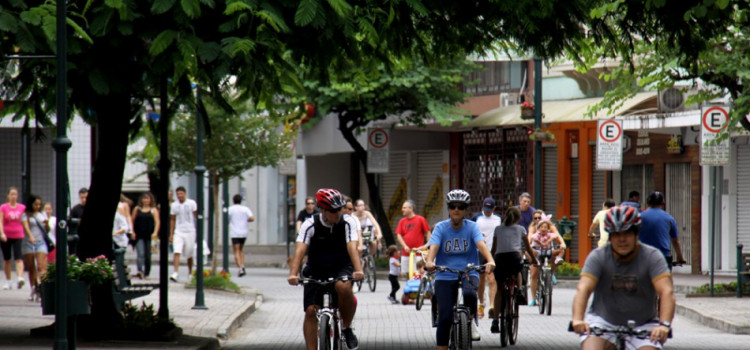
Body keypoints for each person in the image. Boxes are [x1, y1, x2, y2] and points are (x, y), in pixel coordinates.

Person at [571, 206, 675, 350]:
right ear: (610, 237)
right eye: (616, 234)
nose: (622, 239)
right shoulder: (598, 256)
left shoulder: (652, 257)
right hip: (603, 322)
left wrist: (664, 325)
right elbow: (583, 288)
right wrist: (577, 319)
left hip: (643, 324)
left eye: (627, 233)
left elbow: (666, 292)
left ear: (636, 234)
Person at [287, 188, 363, 350]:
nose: (338, 213)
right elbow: (300, 250)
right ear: (322, 210)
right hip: (316, 268)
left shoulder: (347, 222)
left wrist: (358, 270)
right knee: (310, 311)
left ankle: (347, 328)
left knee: (343, 286)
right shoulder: (310, 223)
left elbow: (352, 246)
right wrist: (293, 274)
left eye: (340, 209)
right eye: (333, 210)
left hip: (341, 266)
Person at [424, 189, 495, 346]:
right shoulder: (441, 228)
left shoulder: (472, 227)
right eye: (453, 206)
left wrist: (490, 260)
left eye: (461, 207)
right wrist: (430, 262)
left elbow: (481, 245)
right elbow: (433, 247)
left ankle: (471, 321)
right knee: (444, 317)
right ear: (448, 208)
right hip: (444, 273)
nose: (456, 209)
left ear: (466, 210)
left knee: (470, 294)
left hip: (469, 271)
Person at [489, 207, 538, 334]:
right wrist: (534, 260)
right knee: (518, 271)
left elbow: (494, 249)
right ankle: (521, 291)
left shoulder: (498, 229)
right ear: (518, 218)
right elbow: (527, 247)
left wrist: (490, 260)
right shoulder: (521, 229)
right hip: (514, 258)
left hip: (500, 259)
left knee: (499, 289)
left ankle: (495, 321)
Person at [639, 191, 687, 270]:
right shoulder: (669, 218)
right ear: (662, 204)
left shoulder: (640, 216)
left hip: (643, 257)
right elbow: (675, 241)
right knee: (664, 281)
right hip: (663, 257)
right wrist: (680, 258)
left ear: (648, 202)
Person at [471, 197, 501, 319]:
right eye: (485, 209)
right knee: (481, 280)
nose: (487, 211)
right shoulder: (476, 219)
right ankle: (481, 303)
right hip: (479, 252)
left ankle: (492, 306)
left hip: (493, 252)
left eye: (490, 209)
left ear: (494, 208)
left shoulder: (499, 219)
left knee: (492, 279)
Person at [528, 216, 566, 306]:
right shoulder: (534, 232)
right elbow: (531, 238)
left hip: (548, 251)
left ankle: (552, 271)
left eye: (539, 218)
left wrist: (562, 244)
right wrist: (530, 246)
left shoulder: (550, 231)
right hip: (538, 252)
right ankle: (533, 299)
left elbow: (557, 236)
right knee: (534, 274)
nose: (537, 220)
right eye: (535, 218)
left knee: (560, 250)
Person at [21, 194, 48, 301]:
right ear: (31, 204)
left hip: (41, 242)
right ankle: (33, 288)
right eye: (35, 204)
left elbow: (47, 230)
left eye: (39, 205)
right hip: (29, 242)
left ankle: (42, 289)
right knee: (31, 267)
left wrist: (47, 224)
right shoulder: (26, 214)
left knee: (41, 267)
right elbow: (26, 226)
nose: (37, 206)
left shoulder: (42, 214)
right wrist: (31, 236)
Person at [395, 199, 431, 278]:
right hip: (406, 252)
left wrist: (428, 245)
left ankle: (419, 289)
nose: (402, 210)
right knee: (408, 274)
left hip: (418, 252)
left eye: (404, 208)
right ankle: (410, 290)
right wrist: (405, 246)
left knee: (419, 273)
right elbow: (399, 235)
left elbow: (428, 233)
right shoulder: (402, 221)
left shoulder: (420, 219)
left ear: (411, 209)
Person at [169, 186, 197, 282]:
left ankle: (190, 273)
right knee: (177, 251)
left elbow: (196, 215)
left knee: (189, 253)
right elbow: (172, 219)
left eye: (181, 194)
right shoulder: (174, 205)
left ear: (185, 194)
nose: (180, 196)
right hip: (179, 231)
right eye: (178, 194)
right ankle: (175, 272)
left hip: (190, 231)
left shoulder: (191, 203)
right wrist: (171, 234)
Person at [0, 187, 26, 290]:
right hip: (6, 235)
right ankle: (8, 280)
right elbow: (0, 221)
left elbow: (25, 221)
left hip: (18, 235)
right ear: (8, 195)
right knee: (7, 259)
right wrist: (2, 233)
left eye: (15, 194)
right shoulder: (3, 207)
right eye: (12, 194)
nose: (13, 196)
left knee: (18, 257)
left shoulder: (22, 207)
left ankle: (20, 277)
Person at [132, 192, 160, 280]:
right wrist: (132, 231)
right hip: (139, 234)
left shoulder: (153, 210)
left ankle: (147, 273)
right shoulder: (137, 209)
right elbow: (132, 221)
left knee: (148, 255)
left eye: (147, 199)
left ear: (150, 200)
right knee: (140, 253)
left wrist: (155, 232)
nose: (146, 200)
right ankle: (140, 271)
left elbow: (157, 222)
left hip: (150, 235)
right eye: (144, 198)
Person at [228, 194, 255, 277]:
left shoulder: (230, 209)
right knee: (241, 250)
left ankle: (240, 268)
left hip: (234, 232)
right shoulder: (245, 209)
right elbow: (252, 218)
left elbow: (227, 218)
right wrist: (245, 220)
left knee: (236, 250)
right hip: (243, 232)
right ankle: (242, 265)